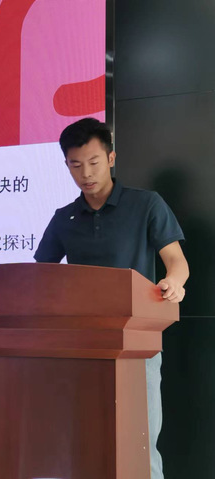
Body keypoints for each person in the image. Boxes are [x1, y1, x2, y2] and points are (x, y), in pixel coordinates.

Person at [34, 117, 189, 479]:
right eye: (75, 165)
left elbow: (177, 262)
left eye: (93, 162)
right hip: (79, 346)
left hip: (137, 343)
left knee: (140, 443)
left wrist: (174, 283)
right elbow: (39, 277)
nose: (86, 173)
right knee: (82, 441)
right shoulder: (64, 218)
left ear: (111, 158)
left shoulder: (146, 204)